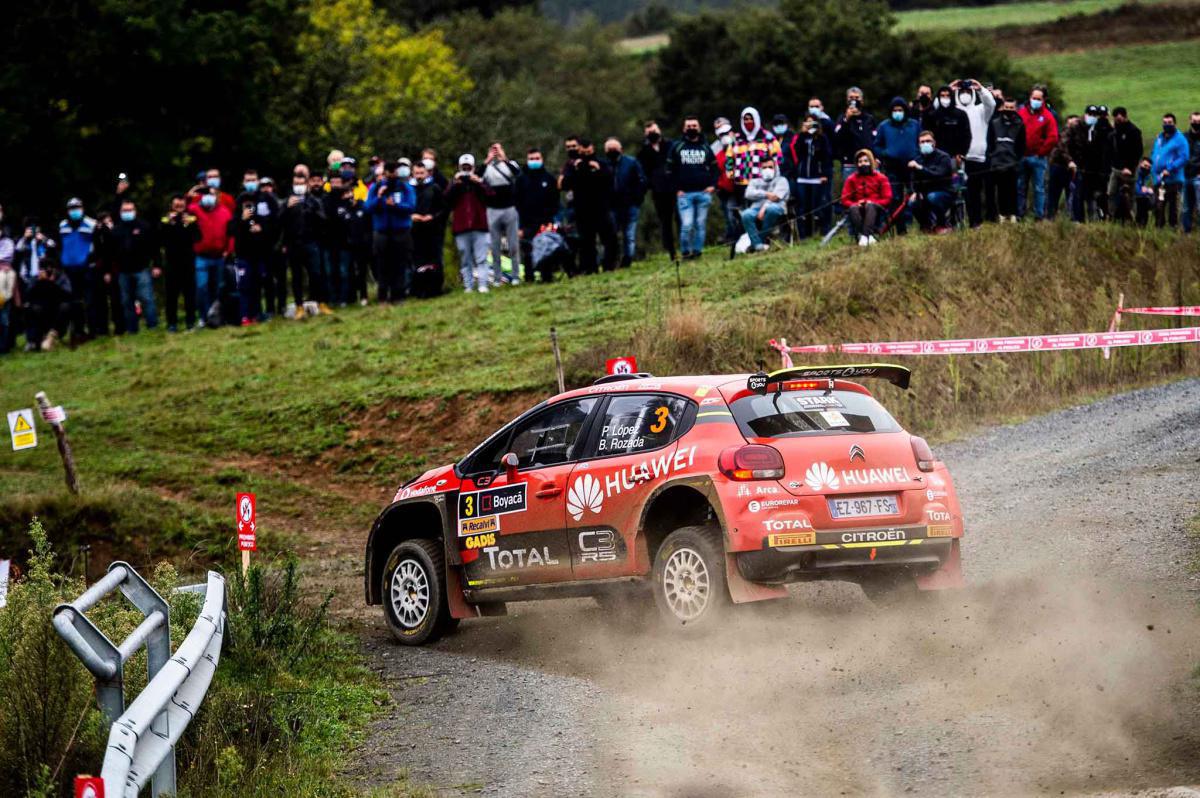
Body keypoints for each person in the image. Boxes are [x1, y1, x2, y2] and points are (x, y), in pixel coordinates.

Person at [561, 138, 618, 273]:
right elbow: (564, 184)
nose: (586, 155)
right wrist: (577, 169)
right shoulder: (572, 165)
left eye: (589, 152)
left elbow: (610, 182)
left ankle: (608, 265)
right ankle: (590, 268)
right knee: (587, 242)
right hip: (582, 209)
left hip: (601, 207)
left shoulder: (601, 163)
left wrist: (598, 170)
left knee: (609, 238)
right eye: (583, 152)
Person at [364, 159, 416, 302]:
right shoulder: (376, 188)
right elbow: (368, 208)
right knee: (382, 265)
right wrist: (380, 198)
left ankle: (398, 295)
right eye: (389, 171)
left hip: (401, 231)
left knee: (399, 264)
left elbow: (411, 206)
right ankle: (382, 296)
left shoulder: (405, 187)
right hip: (381, 233)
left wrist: (395, 205)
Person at [667, 115, 719, 259]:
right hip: (685, 195)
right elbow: (669, 170)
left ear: (699, 128)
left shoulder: (706, 148)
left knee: (700, 225)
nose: (691, 129)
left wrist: (712, 186)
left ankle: (697, 252)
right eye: (688, 126)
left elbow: (715, 169)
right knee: (687, 225)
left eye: (694, 126)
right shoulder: (677, 147)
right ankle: (685, 252)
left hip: (703, 193)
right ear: (684, 129)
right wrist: (676, 189)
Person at [233, 170, 282, 320]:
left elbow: (276, 221)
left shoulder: (267, 198)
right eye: (248, 180)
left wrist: (263, 228)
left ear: (258, 180)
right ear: (243, 182)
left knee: (267, 281)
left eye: (253, 180)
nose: (251, 183)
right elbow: (233, 227)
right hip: (245, 251)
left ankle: (270, 310)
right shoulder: (240, 199)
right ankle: (254, 313)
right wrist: (242, 220)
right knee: (250, 284)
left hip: (264, 249)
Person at [281, 166, 328, 309]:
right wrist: (287, 208)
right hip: (294, 244)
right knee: (297, 276)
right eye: (296, 184)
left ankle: (321, 302)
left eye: (301, 184)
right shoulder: (287, 201)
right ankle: (299, 306)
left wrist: (310, 208)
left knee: (316, 274)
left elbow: (323, 220)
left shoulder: (314, 201)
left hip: (311, 243)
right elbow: (279, 222)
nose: (299, 186)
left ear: (306, 184)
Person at [110, 200, 159, 333]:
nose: (128, 213)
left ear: (135, 211)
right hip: (123, 271)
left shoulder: (144, 226)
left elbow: (153, 247)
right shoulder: (116, 230)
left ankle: (152, 326)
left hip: (141, 268)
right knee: (127, 302)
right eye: (125, 210)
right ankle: (132, 329)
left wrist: (156, 265)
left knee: (147, 298)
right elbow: (110, 252)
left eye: (130, 210)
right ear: (120, 212)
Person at [952, 79, 996, 227]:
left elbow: (991, 104)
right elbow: (936, 108)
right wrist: (949, 89)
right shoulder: (953, 111)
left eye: (967, 92)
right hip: (958, 159)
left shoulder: (980, 110)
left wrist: (980, 89)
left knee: (975, 192)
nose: (965, 95)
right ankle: (955, 222)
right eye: (962, 92)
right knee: (957, 193)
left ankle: (976, 221)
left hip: (976, 158)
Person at [873, 97, 920, 234]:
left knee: (914, 196)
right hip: (892, 167)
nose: (897, 112)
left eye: (900, 110)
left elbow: (921, 140)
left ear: (905, 111)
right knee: (895, 198)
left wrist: (917, 156)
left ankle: (920, 223)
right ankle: (901, 228)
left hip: (912, 166)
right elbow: (876, 145)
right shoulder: (884, 126)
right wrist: (885, 153)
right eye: (895, 110)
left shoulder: (914, 125)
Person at [189, 185, 234, 326]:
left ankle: (217, 317)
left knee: (218, 288)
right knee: (202, 287)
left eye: (213, 194)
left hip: (219, 256)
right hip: (202, 256)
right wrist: (189, 196)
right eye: (208, 194)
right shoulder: (194, 209)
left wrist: (229, 249)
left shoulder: (225, 211)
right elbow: (180, 210)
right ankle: (203, 317)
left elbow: (231, 233)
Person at [479, 142, 522, 286]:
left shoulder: (510, 164)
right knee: (495, 246)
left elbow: (518, 175)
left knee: (513, 244)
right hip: (492, 209)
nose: (495, 152)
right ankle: (497, 278)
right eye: (493, 150)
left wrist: (505, 159)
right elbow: (478, 177)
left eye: (498, 149)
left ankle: (515, 275)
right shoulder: (487, 168)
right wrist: (487, 160)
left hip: (509, 208)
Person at [446, 154, 490, 292]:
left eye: (468, 167)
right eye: (463, 168)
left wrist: (478, 182)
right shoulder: (455, 184)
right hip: (461, 226)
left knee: (481, 257)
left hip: (479, 225)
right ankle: (468, 285)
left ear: (473, 168)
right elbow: (446, 200)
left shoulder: (479, 182)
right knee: (465, 258)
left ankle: (483, 284)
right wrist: (455, 184)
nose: (466, 170)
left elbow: (491, 196)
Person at [636, 120, 678, 261]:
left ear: (659, 131)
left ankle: (686, 248)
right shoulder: (643, 152)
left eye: (654, 131)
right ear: (645, 134)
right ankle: (672, 251)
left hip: (675, 189)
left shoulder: (671, 145)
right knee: (665, 222)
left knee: (681, 219)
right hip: (658, 192)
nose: (652, 134)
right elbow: (642, 173)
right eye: (649, 132)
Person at [515, 147, 560, 273]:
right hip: (527, 223)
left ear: (542, 159)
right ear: (527, 160)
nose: (534, 161)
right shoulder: (521, 180)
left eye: (537, 158)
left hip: (546, 222)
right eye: (531, 159)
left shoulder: (549, 179)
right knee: (528, 250)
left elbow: (555, 201)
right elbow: (517, 203)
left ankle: (547, 275)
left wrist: (553, 220)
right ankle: (529, 276)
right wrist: (520, 226)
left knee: (546, 249)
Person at [1017, 86, 1059, 221]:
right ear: (1030, 98)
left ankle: (1039, 215)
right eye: (1034, 98)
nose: (1035, 101)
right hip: (1022, 156)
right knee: (1020, 186)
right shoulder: (1021, 113)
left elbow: (1053, 137)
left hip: (1038, 158)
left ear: (1043, 100)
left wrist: (1041, 152)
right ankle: (1019, 214)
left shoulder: (1048, 116)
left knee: (1039, 188)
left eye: (1038, 99)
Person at [725, 107, 782, 205]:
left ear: (756, 119)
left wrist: (773, 174)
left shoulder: (767, 137)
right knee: (743, 213)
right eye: (745, 119)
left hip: (761, 182)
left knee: (760, 211)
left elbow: (777, 157)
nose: (748, 121)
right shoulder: (736, 139)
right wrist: (730, 172)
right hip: (741, 183)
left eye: (751, 119)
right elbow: (729, 157)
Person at [57, 197, 96, 340]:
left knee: (90, 301)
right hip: (69, 270)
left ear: (82, 208)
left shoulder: (91, 224)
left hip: (86, 268)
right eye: (72, 209)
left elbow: (97, 245)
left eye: (77, 208)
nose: (74, 211)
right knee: (74, 302)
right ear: (68, 211)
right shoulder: (62, 225)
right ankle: (78, 331)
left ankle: (93, 330)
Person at [787, 117, 832, 239]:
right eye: (807, 123)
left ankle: (820, 231)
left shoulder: (822, 138)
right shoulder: (801, 138)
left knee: (817, 205)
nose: (810, 125)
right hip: (802, 177)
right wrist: (802, 133)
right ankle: (804, 234)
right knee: (803, 208)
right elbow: (796, 152)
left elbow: (826, 157)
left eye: (812, 123)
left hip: (817, 177)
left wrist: (824, 174)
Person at [607, 137, 648, 269]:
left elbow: (642, 181)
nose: (612, 151)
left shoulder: (631, 163)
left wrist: (637, 199)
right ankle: (612, 260)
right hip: (612, 206)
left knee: (629, 234)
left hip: (630, 205)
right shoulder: (604, 165)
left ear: (621, 150)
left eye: (615, 149)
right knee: (612, 235)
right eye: (609, 149)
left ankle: (627, 259)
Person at [159, 195, 198, 331]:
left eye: (181, 206)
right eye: (176, 206)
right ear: (171, 205)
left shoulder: (191, 218)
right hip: (171, 264)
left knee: (190, 295)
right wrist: (169, 223)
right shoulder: (165, 219)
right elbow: (160, 239)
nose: (179, 208)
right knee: (171, 296)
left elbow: (198, 237)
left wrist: (188, 224)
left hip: (188, 263)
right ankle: (172, 324)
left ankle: (190, 322)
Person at [1069, 105, 1112, 222]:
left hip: (1096, 168)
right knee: (1079, 194)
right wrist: (1074, 160)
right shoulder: (1079, 128)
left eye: (1095, 115)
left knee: (1095, 195)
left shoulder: (1101, 130)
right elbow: (1071, 146)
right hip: (1082, 166)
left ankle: (1097, 219)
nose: (1093, 117)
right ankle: (1078, 219)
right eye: (1091, 114)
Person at [323, 170, 360, 306]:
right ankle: (333, 299)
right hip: (329, 242)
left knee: (344, 272)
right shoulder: (325, 199)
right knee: (330, 273)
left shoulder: (348, 200)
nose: (335, 185)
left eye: (338, 182)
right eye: (333, 182)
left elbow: (353, 220)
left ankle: (344, 299)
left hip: (345, 242)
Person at [841, 150, 892, 245]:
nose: (863, 164)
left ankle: (864, 237)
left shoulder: (881, 178)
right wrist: (856, 204)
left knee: (870, 206)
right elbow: (844, 199)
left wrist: (872, 202)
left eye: (865, 161)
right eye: (860, 162)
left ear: (871, 162)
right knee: (853, 208)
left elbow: (887, 198)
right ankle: (868, 236)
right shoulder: (851, 179)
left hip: (876, 207)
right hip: (858, 207)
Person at [907, 130, 956, 232]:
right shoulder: (918, 159)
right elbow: (913, 180)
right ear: (919, 144)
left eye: (928, 141)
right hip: (924, 193)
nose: (925, 144)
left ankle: (942, 224)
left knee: (933, 197)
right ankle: (926, 226)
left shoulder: (943, 157)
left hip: (944, 192)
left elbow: (938, 175)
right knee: (912, 202)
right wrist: (914, 192)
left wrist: (920, 168)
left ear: (934, 143)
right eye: (922, 142)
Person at [987, 98, 1026, 222]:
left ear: (1015, 109)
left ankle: (1013, 214)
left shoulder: (1020, 124)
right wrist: (993, 155)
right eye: (1007, 107)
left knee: (1013, 189)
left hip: (1012, 163)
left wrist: (1017, 158)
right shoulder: (994, 123)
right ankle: (1002, 215)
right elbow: (990, 142)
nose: (1009, 110)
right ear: (1003, 108)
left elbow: (1022, 145)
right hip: (997, 162)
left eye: (1011, 108)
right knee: (1001, 190)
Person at [740, 160, 789, 252]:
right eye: (764, 167)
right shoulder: (755, 181)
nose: (767, 170)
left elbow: (776, 197)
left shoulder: (782, 180)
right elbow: (748, 193)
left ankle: (760, 242)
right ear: (760, 169)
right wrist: (766, 194)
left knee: (771, 209)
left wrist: (764, 207)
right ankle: (758, 246)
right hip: (756, 208)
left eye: (770, 167)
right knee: (746, 214)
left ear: (775, 168)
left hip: (777, 207)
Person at [1150, 113, 1189, 228]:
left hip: (1173, 179)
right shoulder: (1160, 138)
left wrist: (1170, 168)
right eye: (1165, 123)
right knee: (1158, 207)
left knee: (1173, 208)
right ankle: (1159, 230)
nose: (1167, 125)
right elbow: (1155, 154)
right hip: (1159, 179)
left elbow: (1184, 157)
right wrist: (1153, 170)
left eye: (1170, 123)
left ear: (1175, 123)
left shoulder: (1180, 139)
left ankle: (1174, 230)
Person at [24, 259, 73, 351]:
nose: (46, 271)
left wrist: (51, 283)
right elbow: (28, 296)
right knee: (31, 308)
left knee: (66, 307)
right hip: (41, 310)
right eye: (43, 268)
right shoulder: (35, 279)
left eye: (49, 268)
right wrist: (40, 282)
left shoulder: (61, 278)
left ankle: (52, 335)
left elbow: (68, 295)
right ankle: (33, 340)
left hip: (56, 310)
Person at [1105, 107, 1144, 224]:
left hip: (1129, 170)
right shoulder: (1115, 131)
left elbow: (1138, 152)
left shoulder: (1134, 131)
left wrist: (1130, 167)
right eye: (1115, 118)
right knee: (1111, 193)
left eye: (1119, 118)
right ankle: (1111, 216)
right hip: (1116, 168)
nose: (1117, 120)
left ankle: (1131, 218)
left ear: (1124, 116)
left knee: (1129, 196)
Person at [410, 161, 447, 278]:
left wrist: (432, 217)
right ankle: (418, 288)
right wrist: (411, 216)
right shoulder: (409, 189)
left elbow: (444, 208)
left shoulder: (434, 188)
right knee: (418, 260)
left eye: (422, 173)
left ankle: (435, 287)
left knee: (434, 260)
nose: (419, 176)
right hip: (415, 231)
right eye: (417, 173)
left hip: (432, 230)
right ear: (413, 173)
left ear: (427, 173)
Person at [835, 87, 878, 183]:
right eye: (851, 98)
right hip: (849, 164)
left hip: (868, 162)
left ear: (862, 101)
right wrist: (847, 120)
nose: (854, 100)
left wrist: (876, 157)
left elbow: (875, 140)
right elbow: (838, 138)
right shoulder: (842, 119)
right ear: (847, 100)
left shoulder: (869, 119)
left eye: (857, 97)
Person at [711, 117, 740, 242]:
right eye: (717, 129)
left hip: (740, 185)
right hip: (724, 187)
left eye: (722, 128)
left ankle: (739, 235)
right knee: (728, 213)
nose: (721, 132)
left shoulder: (740, 141)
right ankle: (732, 237)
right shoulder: (714, 148)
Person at [1047, 115, 1078, 220]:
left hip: (1072, 167)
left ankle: (1072, 217)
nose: (1073, 126)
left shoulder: (1079, 135)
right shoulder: (1063, 134)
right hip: (1059, 166)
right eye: (1071, 124)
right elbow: (1062, 148)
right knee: (1054, 194)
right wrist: (1070, 161)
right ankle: (1051, 217)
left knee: (1072, 194)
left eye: (1075, 123)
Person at [1183, 111, 1200, 233]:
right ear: (1190, 121)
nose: (1196, 124)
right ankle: (1187, 232)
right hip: (1184, 176)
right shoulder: (1183, 137)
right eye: (1194, 121)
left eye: (1199, 122)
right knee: (1185, 207)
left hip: (1198, 177)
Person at [1133, 157, 1156, 227]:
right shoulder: (1136, 174)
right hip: (1135, 198)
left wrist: (1147, 191)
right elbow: (1136, 190)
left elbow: (1152, 190)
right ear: (1140, 164)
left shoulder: (1149, 176)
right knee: (1142, 200)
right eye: (1145, 165)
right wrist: (1147, 191)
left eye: (1149, 167)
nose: (1147, 168)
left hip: (1145, 199)